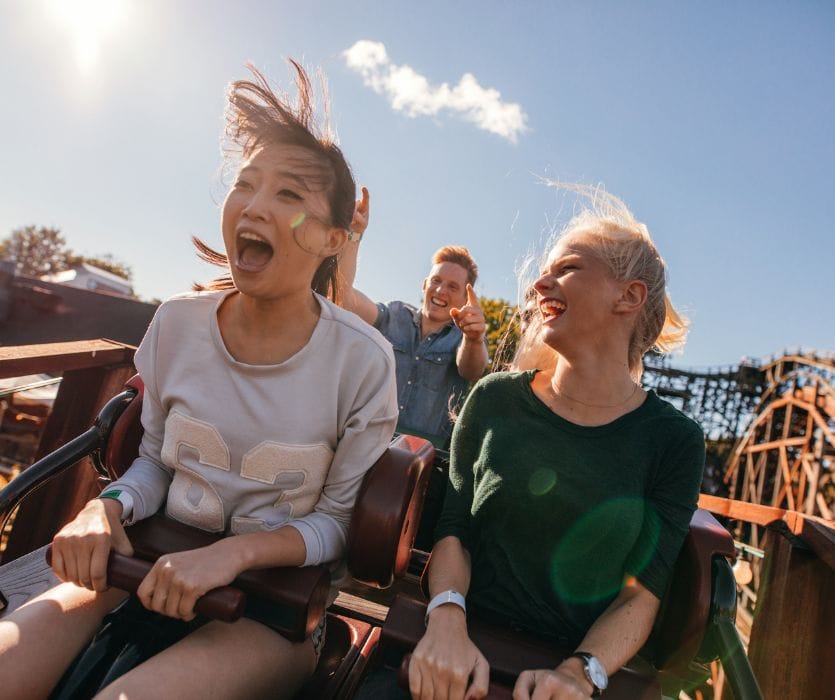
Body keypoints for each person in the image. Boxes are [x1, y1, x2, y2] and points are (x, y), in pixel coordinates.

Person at [0, 61, 397, 700]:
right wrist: (106, 509)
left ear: (333, 238)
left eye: (290, 196)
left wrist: (233, 555)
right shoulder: (178, 324)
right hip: (143, 565)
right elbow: (156, 461)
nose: (257, 205)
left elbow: (337, 526)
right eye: (247, 183)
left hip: (273, 612)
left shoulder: (364, 361)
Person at [406, 185, 705, 700]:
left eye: (567, 268)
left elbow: (642, 591)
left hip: (568, 676)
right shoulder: (495, 399)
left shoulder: (674, 441)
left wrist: (579, 673)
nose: (540, 283)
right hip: (459, 651)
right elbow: (454, 528)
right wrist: (447, 622)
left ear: (629, 296)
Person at [339, 190, 488, 445]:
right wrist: (353, 236)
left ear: (465, 298)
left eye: (453, 287)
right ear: (424, 285)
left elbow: (472, 369)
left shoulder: (462, 339)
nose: (441, 290)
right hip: (362, 444)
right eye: (436, 281)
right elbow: (343, 298)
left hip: (423, 461)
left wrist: (474, 339)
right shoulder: (394, 315)